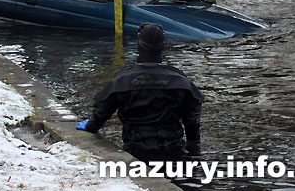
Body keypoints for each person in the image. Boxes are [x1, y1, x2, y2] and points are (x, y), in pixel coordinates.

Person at [76, 23, 203, 162]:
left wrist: (89, 126)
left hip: (135, 150)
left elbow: (101, 114)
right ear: (162, 47)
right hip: (173, 150)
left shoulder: (121, 81)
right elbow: (192, 121)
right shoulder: (181, 81)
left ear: (139, 46)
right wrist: (193, 147)